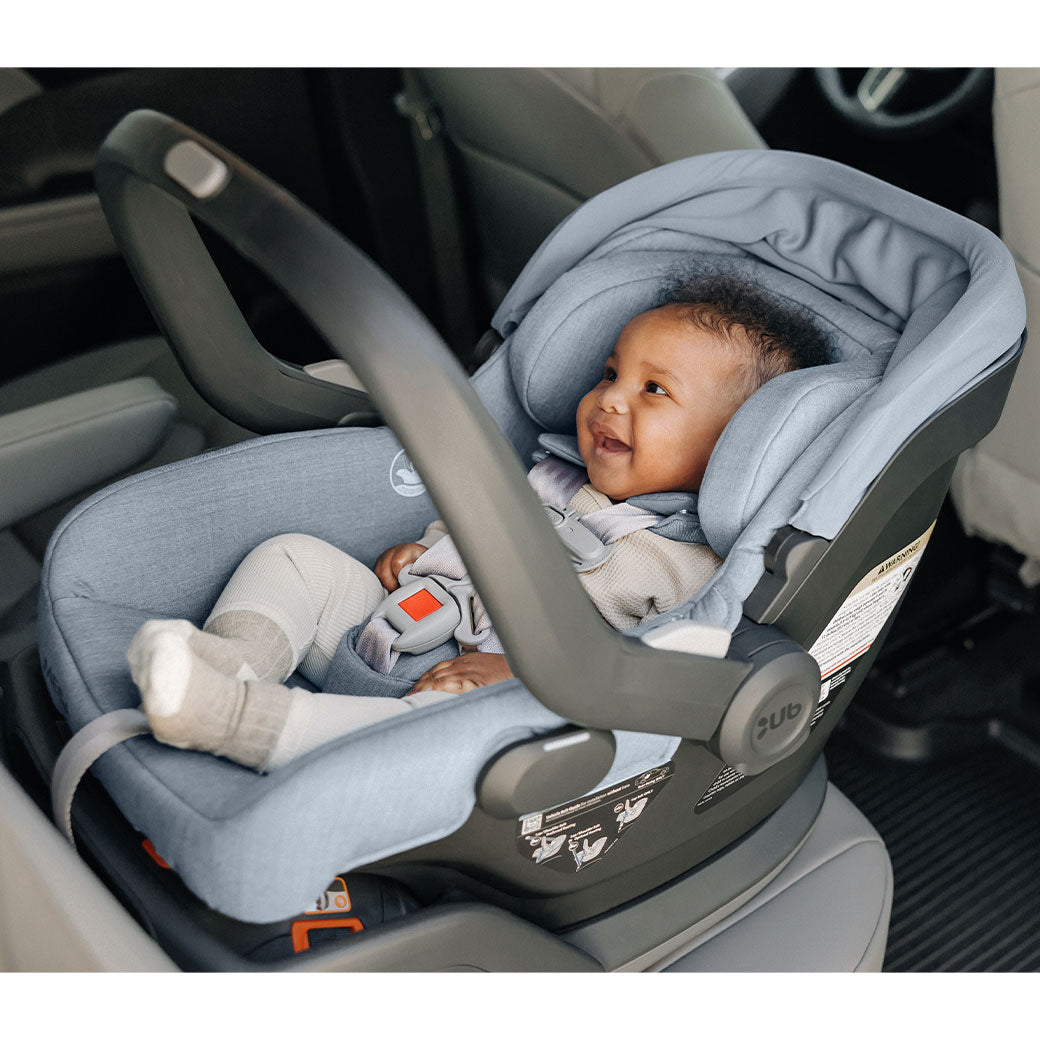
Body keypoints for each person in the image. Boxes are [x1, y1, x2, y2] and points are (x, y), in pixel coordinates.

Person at [127, 274, 831, 772]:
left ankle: (241, 723)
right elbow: (471, 534)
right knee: (292, 557)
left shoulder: (691, 565)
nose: (609, 400)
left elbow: (644, 683)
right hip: (396, 628)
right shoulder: (549, 475)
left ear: (735, 442)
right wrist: (423, 555)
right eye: (610, 374)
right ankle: (230, 664)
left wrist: (523, 681)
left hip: (497, 701)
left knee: (444, 735)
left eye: (653, 390)